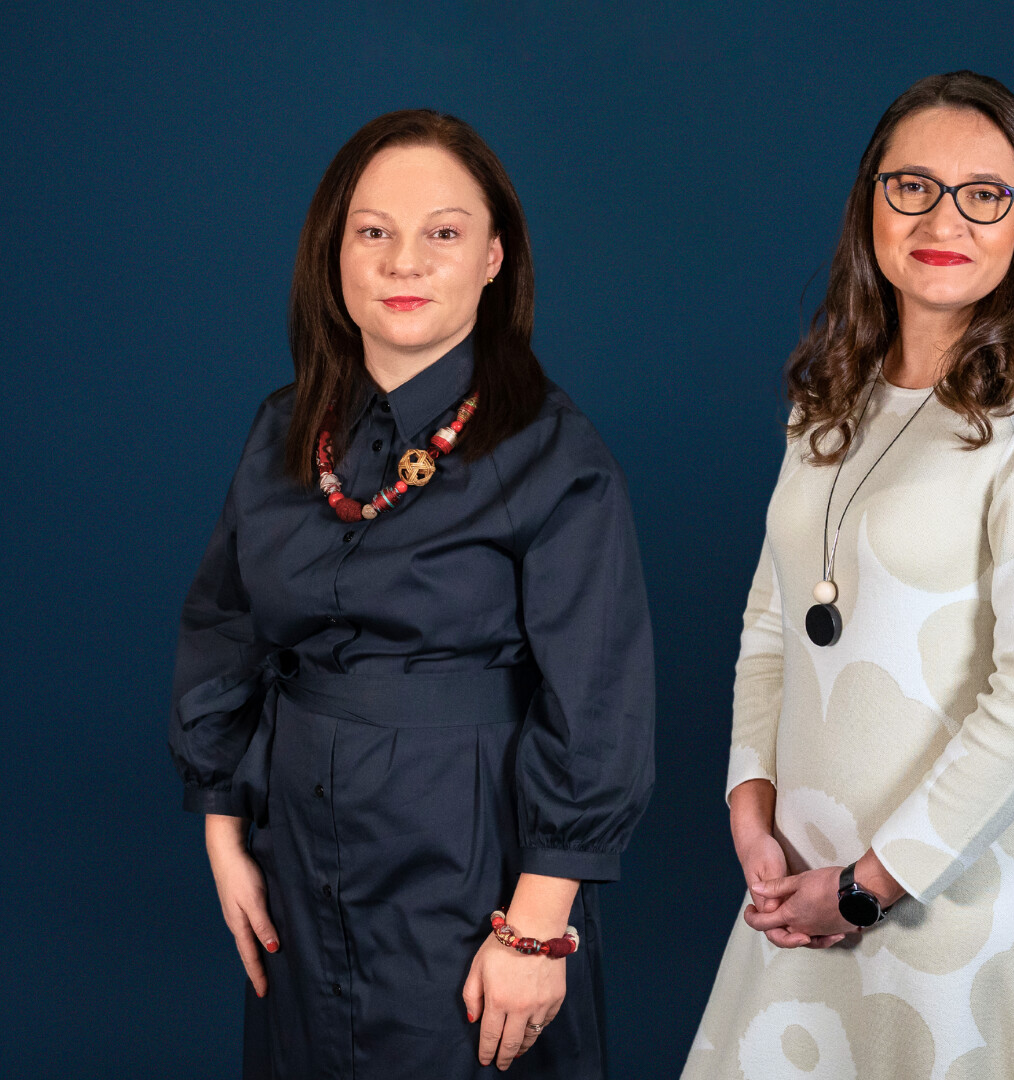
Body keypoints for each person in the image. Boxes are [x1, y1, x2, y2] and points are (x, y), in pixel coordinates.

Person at [169, 109, 654, 1080]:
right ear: (333, 253)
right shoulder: (281, 432)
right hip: (298, 857)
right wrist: (225, 834)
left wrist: (534, 933)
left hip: (472, 862)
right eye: (373, 231)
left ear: (491, 259)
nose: (403, 262)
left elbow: (598, 705)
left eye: (442, 232)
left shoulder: (553, 453)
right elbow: (224, 628)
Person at [683, 72, 1014, 1080]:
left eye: (984, 194)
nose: (944, 217)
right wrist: (748, 803)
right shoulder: (829, 393)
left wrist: (868, 885)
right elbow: (772, 620)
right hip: (796, 890)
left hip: (958, 910)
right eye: (911, 186)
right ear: (866, 204)